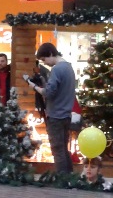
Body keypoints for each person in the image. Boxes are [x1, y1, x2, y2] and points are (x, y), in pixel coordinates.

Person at [26, 43, 76, 173]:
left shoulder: (57, 69)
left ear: (50, 54)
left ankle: (62, 179)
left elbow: (48, 93)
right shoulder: (68, 67)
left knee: (57, 150)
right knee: (63, 149)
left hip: (56, 116)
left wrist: (34, 87)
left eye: (44, 59)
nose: (44, 63)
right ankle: (69, 177)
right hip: (66, 115)